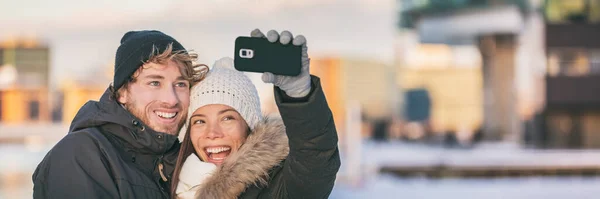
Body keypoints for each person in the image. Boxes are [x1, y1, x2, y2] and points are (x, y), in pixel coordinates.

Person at [32, 30, 208, 198]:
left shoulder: (184, 164)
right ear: (122, 92)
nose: (171, 100)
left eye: (180, 84)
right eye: (154, 83)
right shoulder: (81, 155)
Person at [171, 29, 341, 199]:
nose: (212, 133)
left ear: (250, 125)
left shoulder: (277, 185)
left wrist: (300, 98)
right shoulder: (170, 183)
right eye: (200, 121)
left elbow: (314, 161)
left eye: (227, 118)